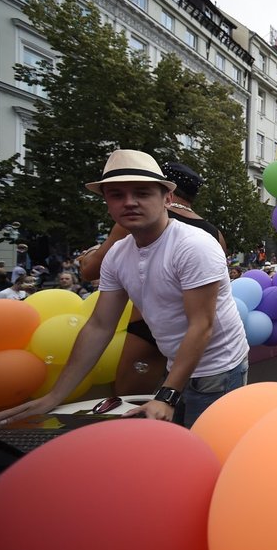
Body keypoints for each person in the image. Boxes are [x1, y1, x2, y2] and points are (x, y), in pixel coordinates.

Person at [0, 149, 249, 429]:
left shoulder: (194, 245)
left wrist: (167, 395)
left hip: (218, 368)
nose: (129, 202)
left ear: (167, 198)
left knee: (207, 455)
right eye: (117, 194)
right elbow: (99, 325)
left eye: (142, 193)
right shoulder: (119, 254)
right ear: (107, 203)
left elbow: (201, 325)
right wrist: (54, 396)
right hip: (178, 364)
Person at [79, 161, 227, 395]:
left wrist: (88, 255)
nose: (131, 201)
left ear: (168, 193)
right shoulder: (214, 233)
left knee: (131, 400)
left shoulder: (131, 221)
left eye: (142, 191)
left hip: (147, 324)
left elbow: (90, 272)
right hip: (195, 334)